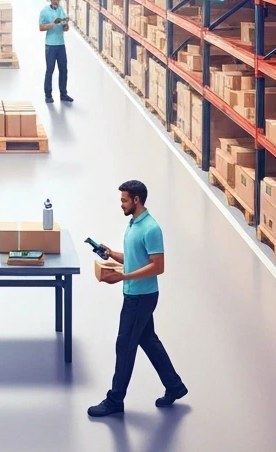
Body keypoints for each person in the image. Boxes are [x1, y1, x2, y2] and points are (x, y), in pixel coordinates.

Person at [88, 179, 187, 418]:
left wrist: (123, 277)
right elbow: (135, 258)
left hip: (141, 297)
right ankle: (175, 386)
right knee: (148, 341)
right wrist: (111, 254)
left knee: (124, 347)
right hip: (134, 293)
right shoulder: (133, 224)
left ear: (136, 200)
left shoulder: (151, 229)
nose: (120, 204)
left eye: (123, 200)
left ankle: (115, 401)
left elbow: (158, 267)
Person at [39, 0, 72, 104]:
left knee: (63, 69)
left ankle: (63, 93)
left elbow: (65, 28)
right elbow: (41, 28)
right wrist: (53, 23)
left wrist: (66, 25)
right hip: (51, 45)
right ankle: (48, 95)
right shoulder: (44, 12)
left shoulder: (61, 10)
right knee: (50, 70)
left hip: (61, 44)